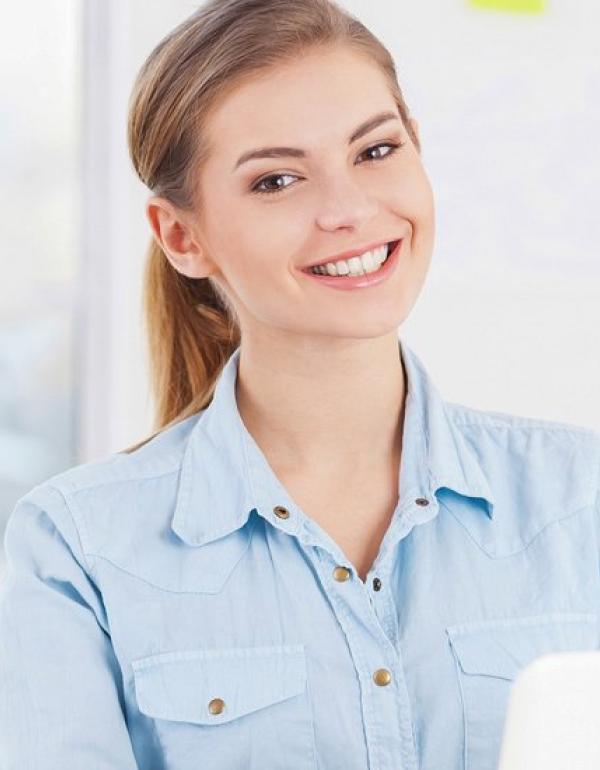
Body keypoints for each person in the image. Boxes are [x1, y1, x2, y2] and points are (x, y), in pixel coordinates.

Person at [1, 0, 599, 768]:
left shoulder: (580, 498)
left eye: (376, 150)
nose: (348, 210)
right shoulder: (78, 549)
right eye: (277, 180)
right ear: (181, 235)